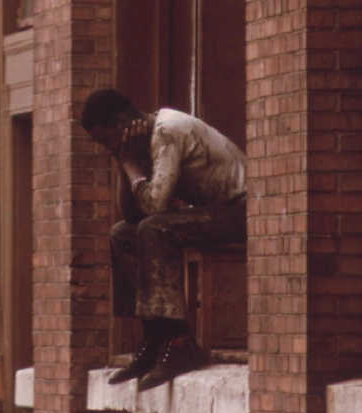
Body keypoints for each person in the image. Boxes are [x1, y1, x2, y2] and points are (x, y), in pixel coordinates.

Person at [81, 89, 247, 390]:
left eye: (107, 140)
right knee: (121, 234)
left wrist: (131, 165)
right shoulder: (140, 141)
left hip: (244, 211)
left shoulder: (166, 131)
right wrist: (123, 162)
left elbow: (155, 208)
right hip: (215, 212)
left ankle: (181, 342)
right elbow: (131, 215)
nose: (107, 148)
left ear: (122, 121)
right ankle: (155, 336)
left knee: (156, 229)